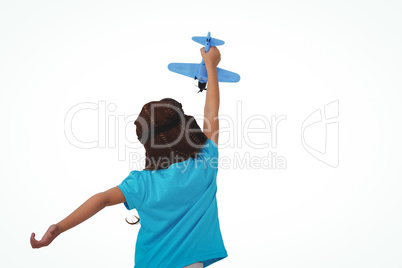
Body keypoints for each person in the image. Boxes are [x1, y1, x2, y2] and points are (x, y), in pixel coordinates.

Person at [30, 46, 226, 268]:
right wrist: (210, 65)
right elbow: (211, 112)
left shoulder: (141, 184)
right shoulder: (204, 163)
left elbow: (101, 199)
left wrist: (59, 228)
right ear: (185, 129)